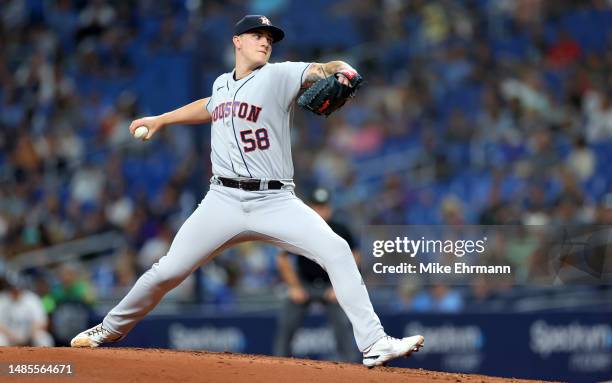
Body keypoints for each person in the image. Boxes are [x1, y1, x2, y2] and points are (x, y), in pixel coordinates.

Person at [70, 14, 424, 367]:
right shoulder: (222, 84)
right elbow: (209, 107)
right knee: (167, 271)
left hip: (274, 200)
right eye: (257, 35)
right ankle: (109, 329)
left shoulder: (279, 75)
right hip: (222, 200)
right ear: (237, 41)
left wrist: (342, 68)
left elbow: (320, 69)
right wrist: (161, 119)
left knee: (337, 250)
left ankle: (374, 342)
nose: (266, 41)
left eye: (270, 37)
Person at [274, 188, 359, 362]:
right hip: (305, 283)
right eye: (317, 207)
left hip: (332, 285)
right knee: (287, 322)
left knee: (343, 323)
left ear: (330, 208)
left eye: (324, 207)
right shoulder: (299, 229)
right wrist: (294, 286)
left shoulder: (340, 229)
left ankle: (351, 366)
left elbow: (356, 257)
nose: (321, 211)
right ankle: (279, 363)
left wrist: (341, 286)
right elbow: (282, 259)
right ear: (309, 208)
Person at [0, 272, 54, 347]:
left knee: (43, 338)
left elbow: (42, 322)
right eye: (12, 288)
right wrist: (13, 337)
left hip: (30, 336)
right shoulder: (2, 299)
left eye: (17, 288)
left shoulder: (32, 299)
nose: (15, 290)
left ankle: (45, 359)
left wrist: (30, 335)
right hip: (8, 337)